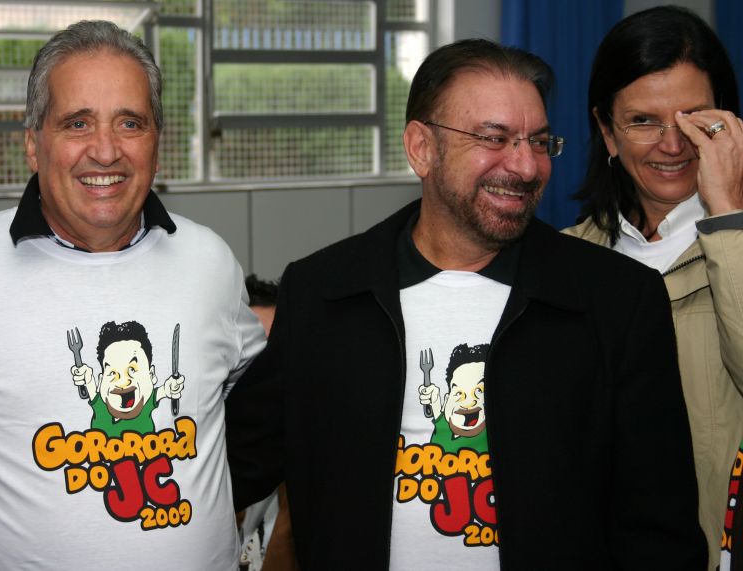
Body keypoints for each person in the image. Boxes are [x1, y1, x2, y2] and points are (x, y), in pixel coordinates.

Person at [226, 38, 707, 570]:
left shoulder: (615, 300)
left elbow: (659, 528)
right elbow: (229, 469)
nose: (526, 166)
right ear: (421, 148)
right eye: (494, 138)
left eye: (539, 142)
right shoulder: (324, 293)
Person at [0, 20, 264, 570]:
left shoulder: (209, 261)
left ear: (156, 144)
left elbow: (250, 402)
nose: (106, 150)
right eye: (78, 123)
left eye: (130, 123)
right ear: (32, 144)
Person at [563, 7, 743, 570]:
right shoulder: (565, 259)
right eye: (643, 121)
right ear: (606, 131)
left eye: (692, 119)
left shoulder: (736, 242)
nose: (672, 144)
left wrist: (727, 213)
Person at [237, 274, 298, 571]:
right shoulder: (201, 468)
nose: (261, 373)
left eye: (272, 354)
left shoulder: (311, 477)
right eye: (248, 353)